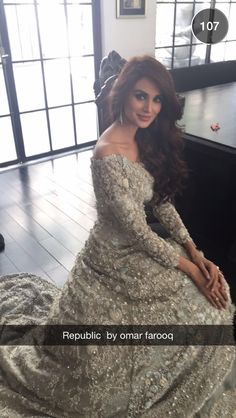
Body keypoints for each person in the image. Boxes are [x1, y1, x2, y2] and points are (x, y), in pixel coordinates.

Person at [0, 56, 235, 417]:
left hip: (144, 249)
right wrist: (189, 268)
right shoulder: (108, 152)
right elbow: (138, 232)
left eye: (157, 100)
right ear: (123, 94)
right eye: (141, 96)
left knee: (205, 295)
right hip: (113, 258)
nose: (149, 108)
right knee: (188, 297)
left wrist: (195, 251)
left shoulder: (145, 139)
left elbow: (162, 202)